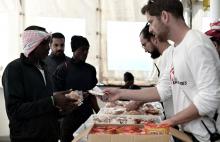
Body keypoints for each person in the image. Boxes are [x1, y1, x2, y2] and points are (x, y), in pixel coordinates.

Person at [102, 0, 220, 141]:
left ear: (164, 16)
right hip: (185, 133)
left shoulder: (196, 44)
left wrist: (171, 121)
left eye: (151, 22)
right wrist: (120, 93)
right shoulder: (175, 50)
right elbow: (162, 90)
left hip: (204, 137)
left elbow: (210, 98)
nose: (150, 29)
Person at [1, 25, 79, 142]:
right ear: (33, 45)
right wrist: (53, 100)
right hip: (27, 137)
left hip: (50, 136)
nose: (48, 48)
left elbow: (44, 106)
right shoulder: (14, 69)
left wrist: (63, 110)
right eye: (44, 44)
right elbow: (15, 111)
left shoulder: (44, 68)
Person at [53, 35, 100, 142]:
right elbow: (56, 95)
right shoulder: (63, 68)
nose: (85, 53)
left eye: (87, 50)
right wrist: (77, 95)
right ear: (74, 50)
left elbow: (92, 94)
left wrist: (98, 112)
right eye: (82, 49)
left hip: (87, 116)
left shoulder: (90, 69)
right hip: (69, 118)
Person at [126, 24, 174, 120]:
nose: (145, 50)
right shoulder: (163, 57)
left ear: (153, 38)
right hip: (172, 118)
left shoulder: (172, 55)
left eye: (144, 44)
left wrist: (136, 101)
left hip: (180, 121)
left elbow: (162, 91)